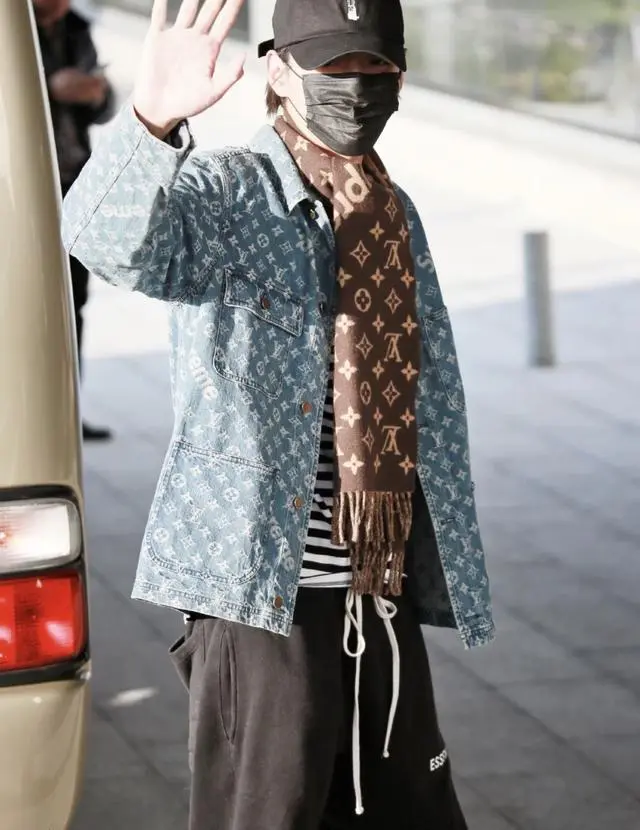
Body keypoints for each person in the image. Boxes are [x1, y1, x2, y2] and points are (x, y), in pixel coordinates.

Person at [62, 0, 495, 826]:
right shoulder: (228, 194)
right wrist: (152, 120)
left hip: (376, 585)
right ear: (279, 70)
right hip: (263, 594)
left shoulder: (392, 212)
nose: (355, 87)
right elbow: (101, 242)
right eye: (333, 67)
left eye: (373, 67)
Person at [35, 0, 114, 441]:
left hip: (73, 183)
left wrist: (96, 94)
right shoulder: (13, 26)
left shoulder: (76, 28)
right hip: (26, 187)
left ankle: (68, 412)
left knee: (72, 302)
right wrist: (49, 87)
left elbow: (104, 97)